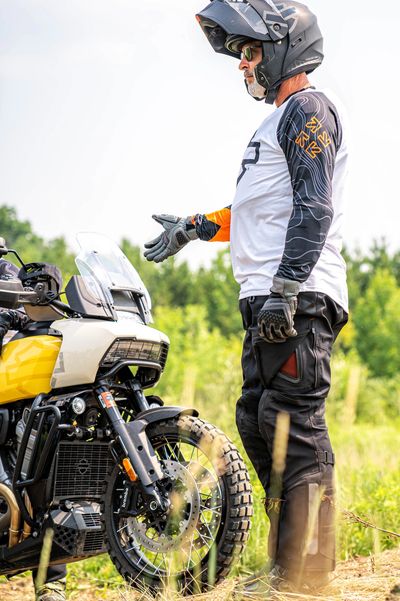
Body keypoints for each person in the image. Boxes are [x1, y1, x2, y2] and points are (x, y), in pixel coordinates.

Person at [144, 0, 349, 595]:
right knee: (259, 422)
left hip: (298, 298)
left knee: (293, 426)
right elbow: (259, 211)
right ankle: (296, 564)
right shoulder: (275, 122)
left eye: (251, 52)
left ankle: (303, 576)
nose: (242, 65)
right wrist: (195, 225)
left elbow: (315, 205)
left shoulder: (307, 109)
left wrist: (285, 292)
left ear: (284, 48)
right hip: (268, 303)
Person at [0, 258, 67, 601]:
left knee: (46, 461)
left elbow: (31, 307)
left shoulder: (7, 269)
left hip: (20, 381)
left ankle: (50, 581)